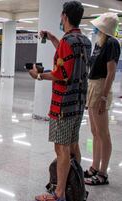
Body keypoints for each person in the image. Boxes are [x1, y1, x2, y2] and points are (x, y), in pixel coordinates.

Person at [28, 2, 92, 200]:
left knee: (61, 148)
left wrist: (39, 75)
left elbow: (62, 73)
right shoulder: (84, 41)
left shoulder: (68, 41)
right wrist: (54, 39)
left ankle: (59, 193)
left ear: (64, 16)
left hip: (63, 104)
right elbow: (69, 57)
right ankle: (76, 184)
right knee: (73, 144)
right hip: (78, 101)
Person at [84, 13, 120, 186]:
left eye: (98, 26)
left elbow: (111, 72)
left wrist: (104, 97)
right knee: (95, 131)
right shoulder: (99, 42)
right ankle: (94, 167)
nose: (95, 28)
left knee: (103, 133)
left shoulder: (112, 43)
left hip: (100, 88)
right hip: (92, 86)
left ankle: (103, 173)